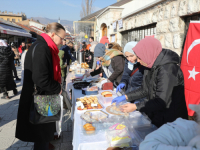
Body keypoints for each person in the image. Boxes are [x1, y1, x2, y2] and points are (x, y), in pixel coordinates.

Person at [112, 37, 188, 127]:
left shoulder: (167, 70)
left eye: (140, 57)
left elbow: (162, 101)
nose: (138, 61)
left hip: (172, 120)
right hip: (158, 115)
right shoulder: (150, 65)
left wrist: (136, 106)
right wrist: (126, 96)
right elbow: (145, 89)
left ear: (148, 53)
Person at [16, 22, 65, 150]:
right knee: (41, 135)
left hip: (41, 97)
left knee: (42, 135)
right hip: (41, 99)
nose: (62, 42)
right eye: (62, 38)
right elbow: (41, 79)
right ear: (53, 34)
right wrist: (58, 88)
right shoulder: (42, 48)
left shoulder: (41, 45)